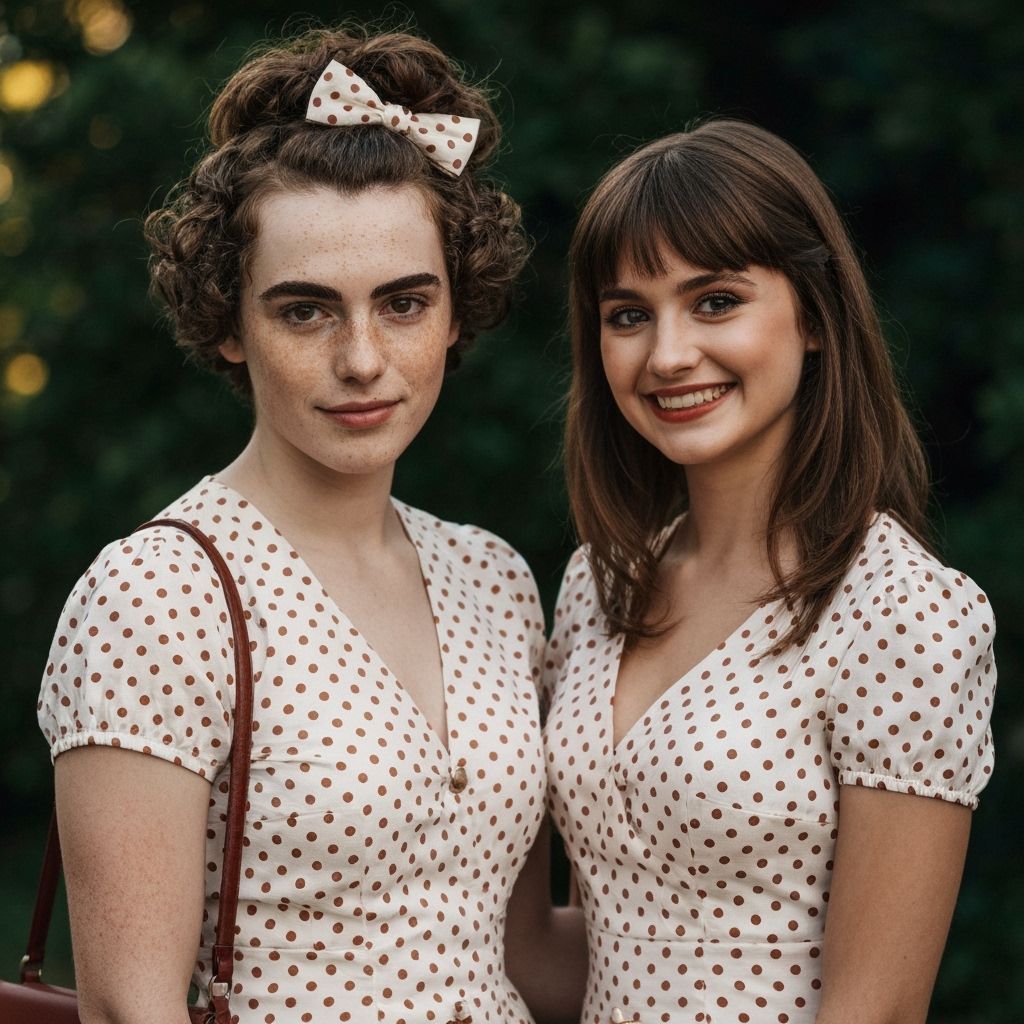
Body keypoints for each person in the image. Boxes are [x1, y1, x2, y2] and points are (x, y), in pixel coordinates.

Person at [36, 25, 564, 1024]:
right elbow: (126, 1007)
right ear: (228, 323)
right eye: (306, 311)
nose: (363, 359)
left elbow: (524, 954)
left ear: (459, 313)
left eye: (404, 303)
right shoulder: (160, 592)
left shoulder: (491, 575)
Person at [543, 120, 996, 1024]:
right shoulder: (599, 582)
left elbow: (877, 1010)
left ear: (816, 317)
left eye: (715, 302)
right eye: (629, 315)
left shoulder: (903, 612)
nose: (668, 354)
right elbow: (593, 949)